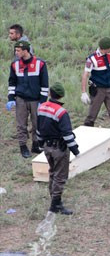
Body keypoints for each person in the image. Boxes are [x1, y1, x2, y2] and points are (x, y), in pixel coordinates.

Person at [35, 83, 79, 215]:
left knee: (53, 173)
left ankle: (54, 200)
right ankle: (55, 205)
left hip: (47, 147)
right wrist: (75, 150)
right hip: (59, 149)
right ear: (62, 96)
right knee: (60, 176)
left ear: (50, 93)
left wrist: (41, 144)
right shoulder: (61, 112)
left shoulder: (41, 107)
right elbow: (67, 134)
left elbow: (38, 128)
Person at [8, 40, 48, 158]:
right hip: (21, 99)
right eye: (15, 50)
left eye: (18, 50)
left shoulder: (40, 64)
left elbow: (44, 84)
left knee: (37, 123)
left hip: (36, 100)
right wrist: (11, 98)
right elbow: (12, 82)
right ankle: (23, 146)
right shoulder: (14, 64)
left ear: (25, 51)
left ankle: (36, 144)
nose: (16, 53)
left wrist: (43, 101)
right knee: (21, 124)